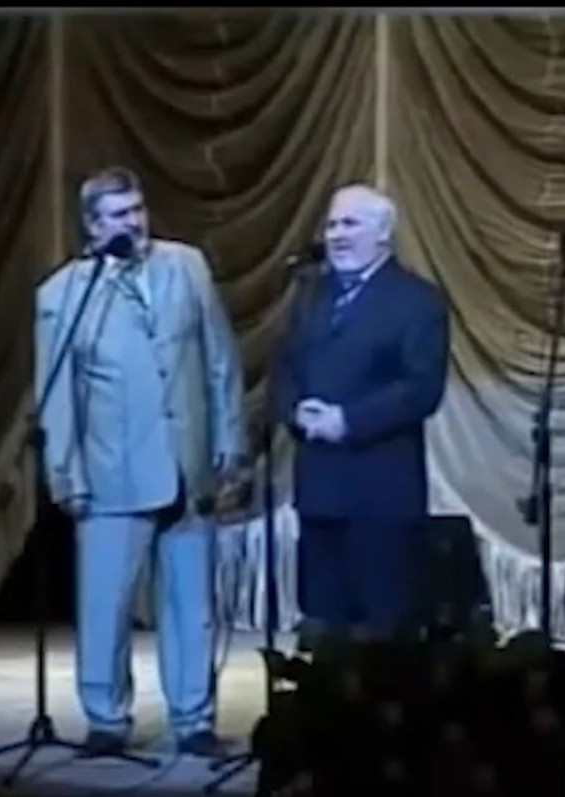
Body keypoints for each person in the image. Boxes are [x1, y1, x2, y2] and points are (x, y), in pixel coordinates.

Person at [34, 167, 244, 758]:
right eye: (119, 215)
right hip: (110, 473)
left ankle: (194, 719)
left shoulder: (187, 267)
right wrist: (66, 474)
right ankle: (106, 718)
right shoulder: (62, 295)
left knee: (191, 606)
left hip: (187, 465)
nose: (134, 222)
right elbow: (56, 397)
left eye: (138, 209)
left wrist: (229, 437)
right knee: (106, 605)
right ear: (93, 226)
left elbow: (220, 357)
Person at [271, 183, 450, 640]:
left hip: (381, 494)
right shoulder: (311, 295)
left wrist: (346, 421)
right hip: (319, 488)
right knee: (324, 630)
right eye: (332, 224)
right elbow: (285, 367)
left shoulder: (417, 300)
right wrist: (296, 411)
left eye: (350, 224)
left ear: (383, 233)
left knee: (383, 632)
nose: (336, 235)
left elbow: (421, 388)